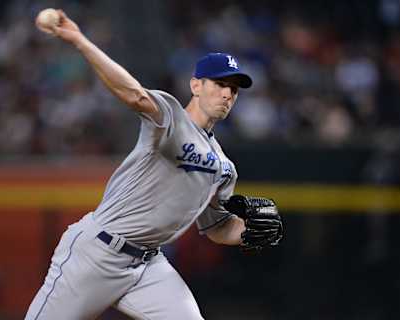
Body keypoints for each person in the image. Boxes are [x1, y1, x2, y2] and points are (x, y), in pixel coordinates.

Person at [26, 9, 281, 320]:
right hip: (97, 254)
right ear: (196, 86)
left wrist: (249, 231)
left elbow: (216, 228)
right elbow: (134, 95)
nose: (227, 93)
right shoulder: (171, 118)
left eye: (234, 89)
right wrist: (80, 40)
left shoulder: (224, 168)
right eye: (219, 83)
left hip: (147, 266)